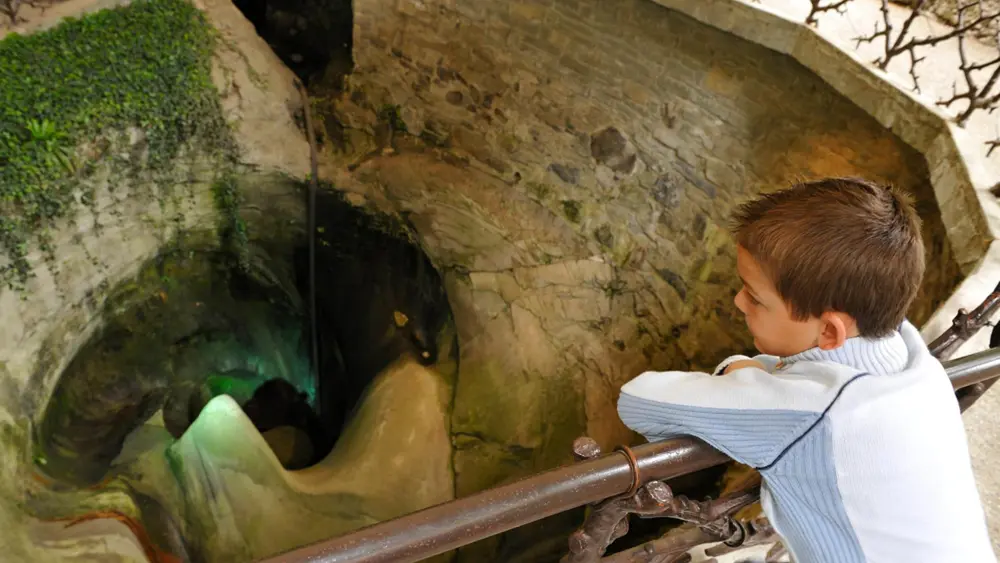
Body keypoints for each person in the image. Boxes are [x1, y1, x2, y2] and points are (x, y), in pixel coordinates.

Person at [617, 177, 995, 562]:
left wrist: (737, 371)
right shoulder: (918, 367)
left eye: (754, 296)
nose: (737, 301)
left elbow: (638, 400)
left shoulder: (814, 413)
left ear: (829, 331)